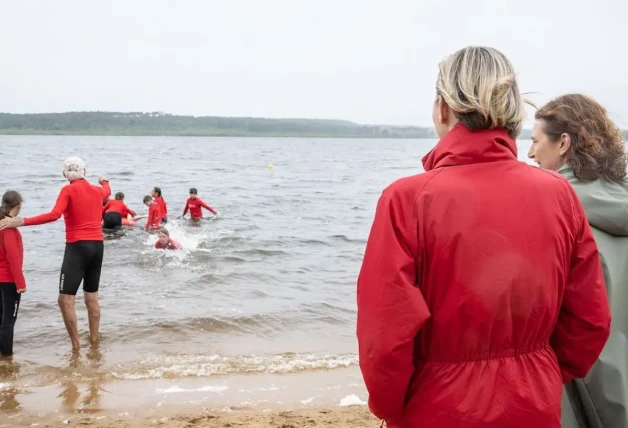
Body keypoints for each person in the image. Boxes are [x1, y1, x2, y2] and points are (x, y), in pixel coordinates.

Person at [356, 46, 611, 428]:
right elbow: (589, 320)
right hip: (533, 403)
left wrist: (392, 408)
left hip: (436, 409)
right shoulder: (559, 194)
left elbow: (384, 337)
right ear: (511, 111)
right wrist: (538, 371)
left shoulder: (406, 199)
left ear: (442, 108)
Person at [529, 94, 628, 428]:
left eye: (534, 141)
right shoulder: (621, 199)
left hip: (580, 392)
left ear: (563, 143)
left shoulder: (554, 214)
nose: (529, 153)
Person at [0, 157, 111, 351]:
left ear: (64, 174)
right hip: (98, 247)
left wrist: (21, 221)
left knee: (65, 299)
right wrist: (104, 181)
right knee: (91, 297)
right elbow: (107, 192)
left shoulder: (67, 190)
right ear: (84, 172)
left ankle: (76, 346)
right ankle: (94, 342)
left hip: (77, 247)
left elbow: (54, 215)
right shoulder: (97, 190)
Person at [0, 191, 27, 357]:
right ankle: (7, 358)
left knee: (1, 318)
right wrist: (21, 283)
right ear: (19, 206)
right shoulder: (8, 228)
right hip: (8, 280)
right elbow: (12, 256)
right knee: (9, 321)